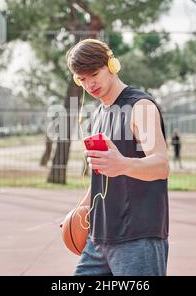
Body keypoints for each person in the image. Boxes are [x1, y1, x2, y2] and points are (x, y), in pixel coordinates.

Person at [66, 39, 169, 276]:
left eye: (94, 74)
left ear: (112, 65)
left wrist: (122, 164)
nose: (89, 84)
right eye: (81, 79)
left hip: (137, 235)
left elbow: (161, 165)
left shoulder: (139, 106)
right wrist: (80, 209)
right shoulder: (100, 113)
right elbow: (103, 174)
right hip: (99, 236)